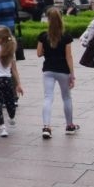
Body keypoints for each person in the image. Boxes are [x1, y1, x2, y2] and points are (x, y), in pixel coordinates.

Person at [36, 8, 77, 139]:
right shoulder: (66, 36)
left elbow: (39, 53)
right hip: (63, 70)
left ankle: (46, 127)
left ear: (48, 19)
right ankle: (70, 125)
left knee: (48, 98)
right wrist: (72, 74)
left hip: (48, 69)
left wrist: (48, 49)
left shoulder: (43, 36)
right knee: (66, 97)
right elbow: (68, 56)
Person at [0, 25, 22, 137]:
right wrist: (18, 84)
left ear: (0, 39)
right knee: (10, 102)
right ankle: (11, 117)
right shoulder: (11, 51)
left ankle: (2, 127)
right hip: (7, 80)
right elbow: (14, 70)